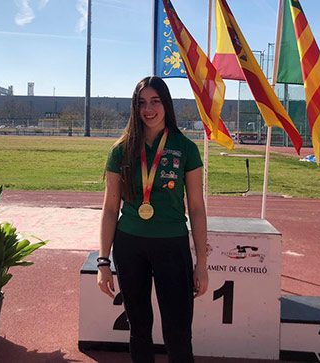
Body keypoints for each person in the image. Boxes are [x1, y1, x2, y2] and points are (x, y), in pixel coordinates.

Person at [97, 76, 208, 363]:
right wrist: (102, 262)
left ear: (166, 104)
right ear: (135, 108)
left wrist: (202, 265)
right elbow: (110, 209)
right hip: (130, 246)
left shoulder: (186, 148)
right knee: (139, 329)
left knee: (178, 331)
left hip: (172, 246)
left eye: (155, 101)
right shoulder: (121, 150)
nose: (149, 109)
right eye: (142, 103)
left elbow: (196, 208)